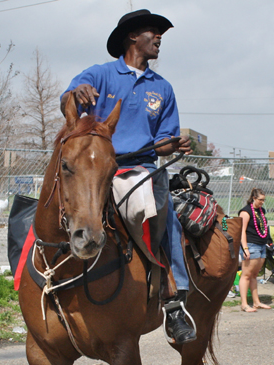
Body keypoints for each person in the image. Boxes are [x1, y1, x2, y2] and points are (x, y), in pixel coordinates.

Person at [60, 9, 196, 343]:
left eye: (160, 33)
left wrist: (173, 144)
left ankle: (174, 302)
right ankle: (42, 279)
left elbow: (162, 141)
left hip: (140, 170)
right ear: (132, 36)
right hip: (95, 167)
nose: (159, 37)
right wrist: (76, 95)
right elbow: (67, 100)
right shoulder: (101, 73)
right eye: (153, 31)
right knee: (51, 203)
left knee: (164, 213)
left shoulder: (162, 88)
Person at [238, 189, 272, 312]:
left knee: (254, 275)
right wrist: (245, 248)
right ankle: (244, 304)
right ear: (253, 198)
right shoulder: (245, 212)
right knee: (246, 275)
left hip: (261, 245)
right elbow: (241, 231)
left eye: (264, 200)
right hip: (251, 245)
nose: (262, 202)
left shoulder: (261, 211)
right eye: (260, 200)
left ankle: (256, 302)